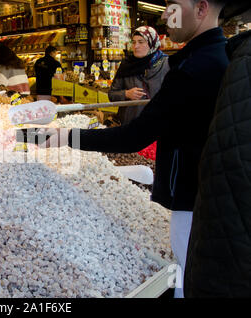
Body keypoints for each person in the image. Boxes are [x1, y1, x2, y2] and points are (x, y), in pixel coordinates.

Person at [39, 0, 229, 298]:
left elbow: (135, 137)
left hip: (193, 197)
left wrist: (68, 137)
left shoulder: (194, 68)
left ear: (201, 8)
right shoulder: (222, 55)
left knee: (187, 276)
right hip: (212, 191)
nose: (166, 14)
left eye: (174, 6)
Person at [184, 2, 251, 298]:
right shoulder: (234, 58)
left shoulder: (237, 61)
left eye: (172, 5)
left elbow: (228, 172)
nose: (164, 15)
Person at [109, 26, 170, 125]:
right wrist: (126, 94)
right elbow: (112, 94)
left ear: (151, 43)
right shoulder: (127, 65)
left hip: (158, 124)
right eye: (133, 42)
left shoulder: (166, 64)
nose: (136, 46)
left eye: (141, 42)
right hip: (131, 124)